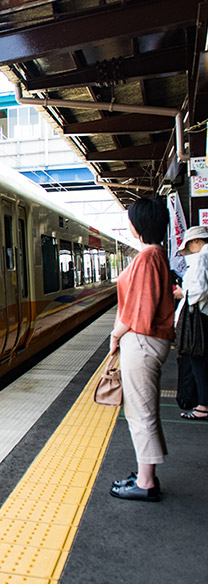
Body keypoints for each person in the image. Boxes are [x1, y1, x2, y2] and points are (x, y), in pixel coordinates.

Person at [108, 197, 175, 502]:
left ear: (138, 226)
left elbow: (140, 311)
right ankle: (146, 473)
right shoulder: (157, 255)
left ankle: (146, 482)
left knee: (141, 412)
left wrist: (115, 334)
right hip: (148, 341)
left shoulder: (147, 258)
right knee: (142, 410)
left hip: (142, 341)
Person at [173, 225, 208, 419]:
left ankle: (203, 406)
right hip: (204, 316)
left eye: (189, 245)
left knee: (198, 362)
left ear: (197, 241)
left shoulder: (203, 258)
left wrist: (182, 293)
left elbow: (201, 290)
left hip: (200, 318)